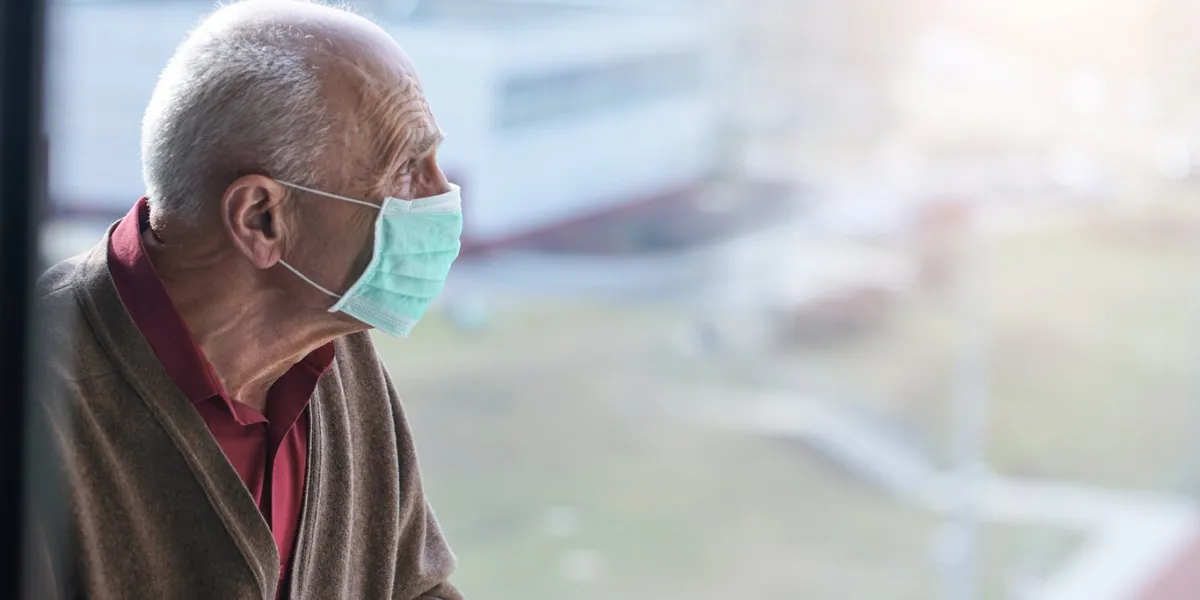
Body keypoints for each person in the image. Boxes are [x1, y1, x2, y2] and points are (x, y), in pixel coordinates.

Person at [32, 1, 464, 598]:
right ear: (260, 218)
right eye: (407, 168)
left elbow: (415, 590)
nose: (444, 193)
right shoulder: (40, 404)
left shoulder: (342, 355)